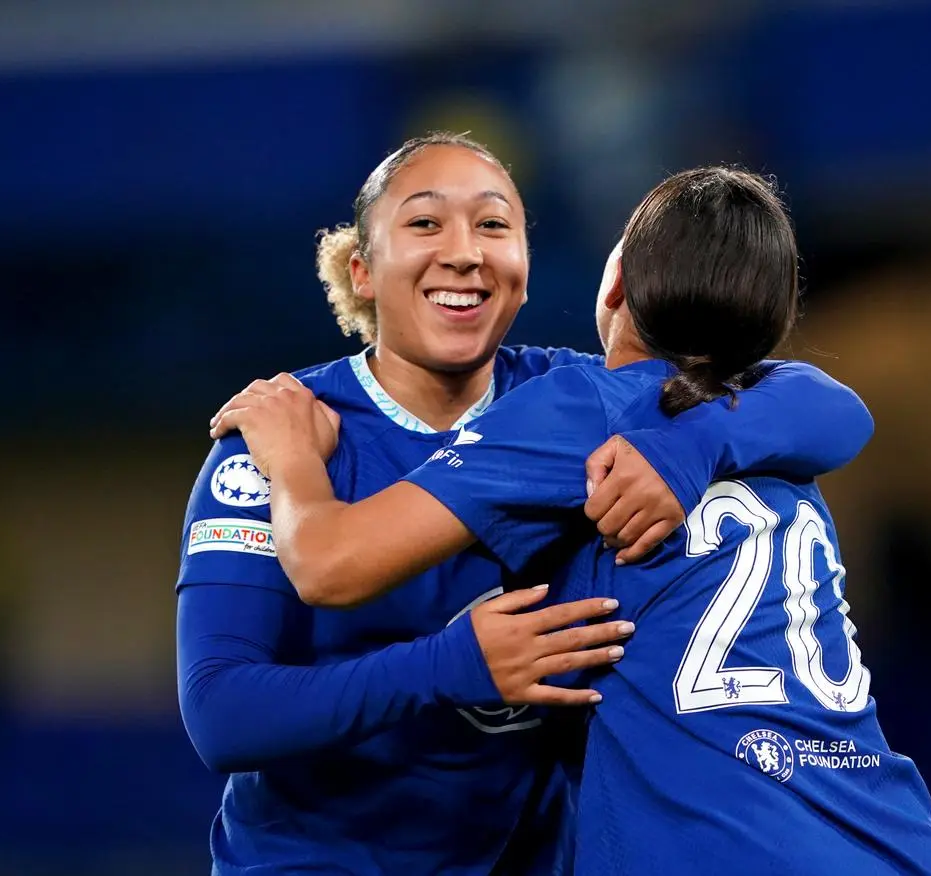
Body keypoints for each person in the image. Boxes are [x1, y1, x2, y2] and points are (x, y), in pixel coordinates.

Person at [179, 134, 876, 876]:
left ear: (524, 270)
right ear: (363, 271)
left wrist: (697, 442)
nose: (463, 252)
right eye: (424, 224)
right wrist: (444, 667)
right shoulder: (283, 437)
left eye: (493, 225)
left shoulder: (584, 404)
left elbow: (821, 401)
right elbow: (223, 714)